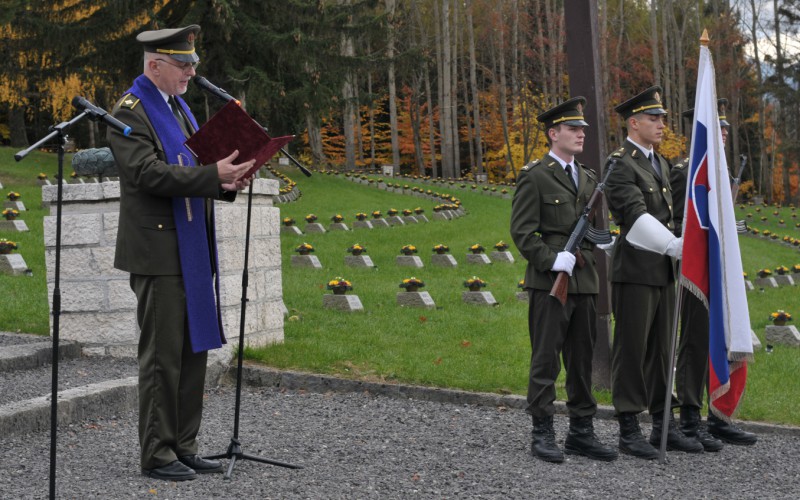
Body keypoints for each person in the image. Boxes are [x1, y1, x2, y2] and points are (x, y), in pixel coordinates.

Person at [107, 25, 255, 481]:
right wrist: (213, 175)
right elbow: (147, 174)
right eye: (184, 64)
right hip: (157, 250)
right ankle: (157, 452)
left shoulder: (181, 110)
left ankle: (183, 445)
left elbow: (196, 169)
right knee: (162, 357)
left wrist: (227, 181)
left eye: (193, 63)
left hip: (189, 247)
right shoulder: (129, 112)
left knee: (193, 352)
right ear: (155, 65)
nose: (192, 71)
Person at [510, 97, 617, 463]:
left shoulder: (588, 178)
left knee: (582, 358)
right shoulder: (535, 176)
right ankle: (542, 431)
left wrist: (582, 256)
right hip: (549, 283)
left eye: (583, 129)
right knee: (545, 359)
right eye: (573, 129)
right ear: (553, 133)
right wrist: (554, 259)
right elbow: (523, 233)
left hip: (584, 282)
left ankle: (581, 432)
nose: (580, 134)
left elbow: (594, 233)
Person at [603, 86, 703, 460]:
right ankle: (629, 425)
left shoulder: (659, 163)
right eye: (653, 118)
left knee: (662, 351)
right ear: (633, 123)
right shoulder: (620, 163)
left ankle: (663, 422)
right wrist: (674, 246)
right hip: (636, 269)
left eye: (661, 118)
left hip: (663, 270)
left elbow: (671, 216)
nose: (662, 124)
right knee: (632, 348)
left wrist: (682, 244)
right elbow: (634, 216)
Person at [671, 99, 757, 450]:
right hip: (696, 272)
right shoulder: (683, 173)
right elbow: (682, 225)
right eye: (716, 127)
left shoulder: (720, 176)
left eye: (725, 128)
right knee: (694, 342)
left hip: (721, 270)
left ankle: (719, 418)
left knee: (723, 337)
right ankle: (690, 418)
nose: (723, 133)